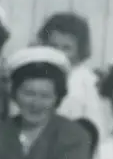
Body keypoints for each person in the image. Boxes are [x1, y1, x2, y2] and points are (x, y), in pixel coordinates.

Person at [37, 11, 109, 145]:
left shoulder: (86, 82)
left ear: (79, 50)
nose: (58, 54)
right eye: (53, 46)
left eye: (66, 48)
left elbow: (95, 126)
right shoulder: (38, 75)